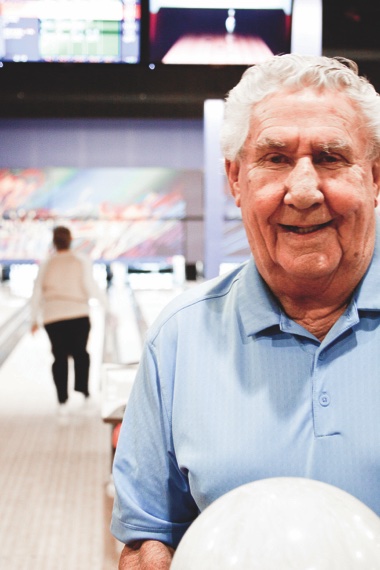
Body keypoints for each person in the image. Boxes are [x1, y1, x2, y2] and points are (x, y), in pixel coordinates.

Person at [111, 53, 380, 568]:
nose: (303, 191)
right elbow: (148, 538)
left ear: (374, 177)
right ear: (236, 180)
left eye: (331, 157)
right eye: (275, 158)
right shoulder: (178, 339)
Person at [30, 225, 107, 414]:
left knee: (59, 356)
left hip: (53, 316)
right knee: (81, 353)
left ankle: (62, 399)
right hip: (78, 314)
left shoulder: (47, 263)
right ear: (70, 240)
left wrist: (33, 320)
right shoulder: (80, 260)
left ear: (54, 242)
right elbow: (91, 286)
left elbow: (37, 292)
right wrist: (107, 307)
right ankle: (84, 391)